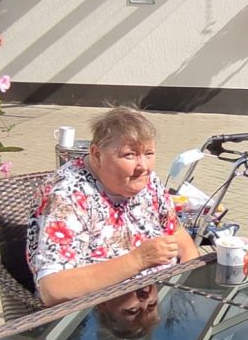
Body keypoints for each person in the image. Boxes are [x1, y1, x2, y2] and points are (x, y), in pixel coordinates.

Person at [27, 106, 198, 305]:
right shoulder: (67, 196)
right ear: (96, 154)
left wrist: (186, 292)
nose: (143, 166)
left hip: (160, 300)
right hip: (97, 314)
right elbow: (53, 289)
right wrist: (138, 260)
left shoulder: (147, 181)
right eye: (129, 155)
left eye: (149, 153)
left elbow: (178, 236)